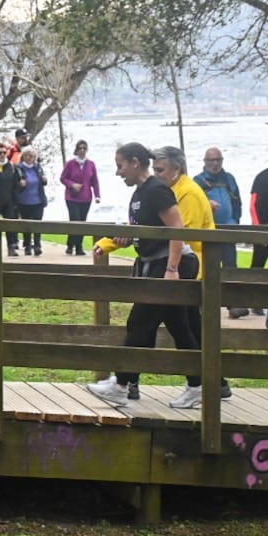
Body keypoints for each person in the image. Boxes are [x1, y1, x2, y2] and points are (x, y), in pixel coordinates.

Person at [86, 143, 199, 408]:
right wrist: (128, 237)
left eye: (120, 166)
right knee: (179, 327)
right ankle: (200, 385)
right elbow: (150, 229)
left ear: (135, 163)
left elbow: (177, 228)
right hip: (156, 263)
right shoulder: (140, 193)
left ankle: (121, 384)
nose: (117, 172)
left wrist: (172, 270)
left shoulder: (157, 189)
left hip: (170, 265)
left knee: (140, 322)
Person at [151, 146, 228, 410]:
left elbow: (186, 235)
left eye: (160, 170)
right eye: (154, 170)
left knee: (182, 325)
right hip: (187, 268)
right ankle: (215, 383)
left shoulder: (188, 193)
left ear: (176, 169)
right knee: (190, 327)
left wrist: (172, 266)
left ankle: (205, 384)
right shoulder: (175, 191)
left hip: (194, 269)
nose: (156, 175)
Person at [194, 147, 247, 317]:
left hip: (229, 231)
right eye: (211, 160)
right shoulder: (197, 181)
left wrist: (236, 221)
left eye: (218, 160)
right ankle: (203, 305)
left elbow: (238, 202)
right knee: (207, 268)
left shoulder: (230, 179)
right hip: (208, 233)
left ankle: (233, 305)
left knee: (231, 268)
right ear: (205, 162)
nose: (215, 164)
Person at [60, 140, 101, 255]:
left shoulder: (91, 164)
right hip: (72, 197)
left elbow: (95, 181)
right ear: (76, 150)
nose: (82, 150)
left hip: (86, 198)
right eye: (80, 148)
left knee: (82, 222)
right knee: (75, 220)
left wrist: (97, 195)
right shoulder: (70, 164)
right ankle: (71, 245)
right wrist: (72, 184)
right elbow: (63, 178)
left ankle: (78, 246)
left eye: (84, 148)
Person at [14, 146, 48, 255]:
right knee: (27, 225)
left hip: (38, 201)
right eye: (27, 155)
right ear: (23, 156)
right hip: (24, 201)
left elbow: (42, 182)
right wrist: (20, 184)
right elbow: (13, 184)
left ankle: (37, 245)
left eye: (32, 156)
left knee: (38, 224)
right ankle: (27, 246)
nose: (29, 158)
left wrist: (44, 180)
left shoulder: (37, 167)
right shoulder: (18, 168)